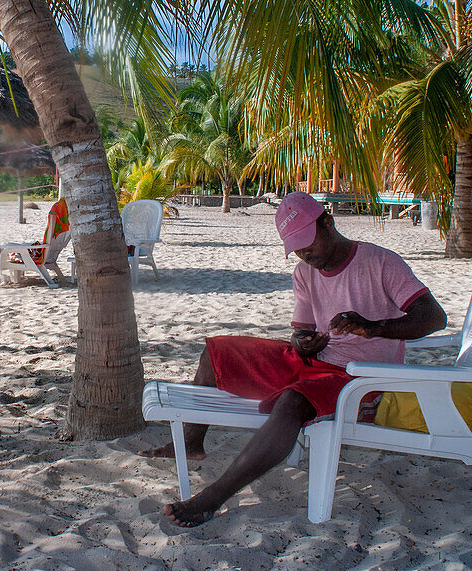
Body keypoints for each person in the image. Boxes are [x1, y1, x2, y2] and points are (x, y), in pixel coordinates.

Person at [140, 191, 447, 527]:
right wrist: (303, 344)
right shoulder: (304, 272)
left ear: (327, 223)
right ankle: (192, 442)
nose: (304, 253)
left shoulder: (380, 262)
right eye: (296, 246)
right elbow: (300, 332)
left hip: (362, 379)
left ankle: (212, 498)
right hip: (317, 363)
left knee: (292, 402)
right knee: (217, 352)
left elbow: (434, 318)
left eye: (307, 242)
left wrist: (373, 327)